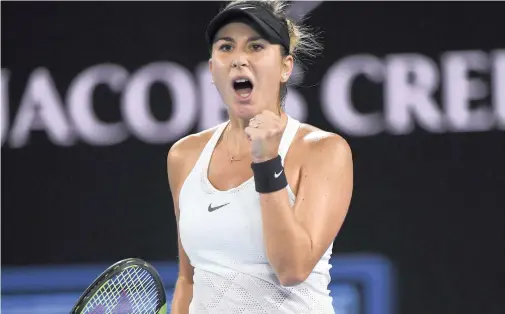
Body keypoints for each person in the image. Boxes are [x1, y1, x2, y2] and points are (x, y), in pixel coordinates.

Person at [166, 0, 353, 313]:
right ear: (213, 69)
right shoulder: (184, 156)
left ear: (285, 67)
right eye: (226, 47)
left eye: (256, 46)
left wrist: (267, 163)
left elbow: (292, 269)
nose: (239, 59)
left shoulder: (324, 151)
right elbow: (189, 278)